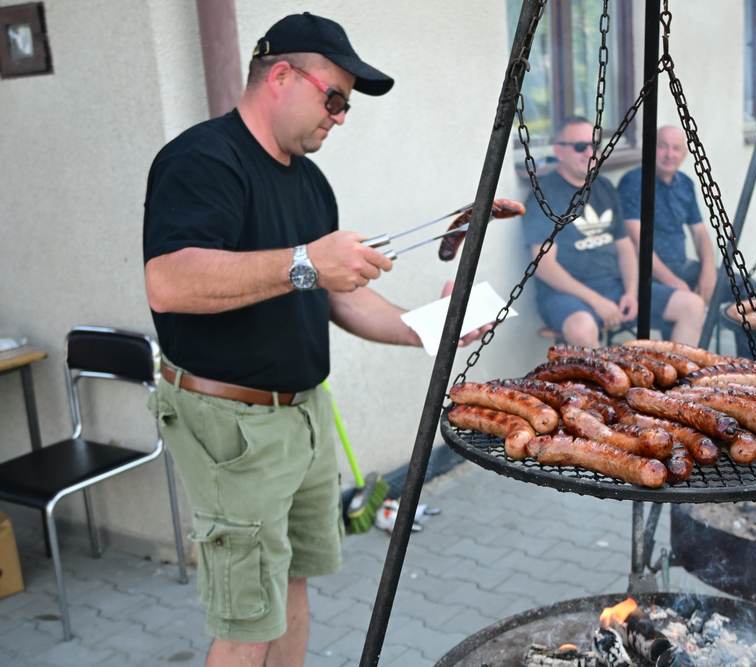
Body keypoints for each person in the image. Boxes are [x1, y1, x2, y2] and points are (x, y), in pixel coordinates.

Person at [142, 13, 482, 667]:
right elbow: (169, 281)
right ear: (281, 76)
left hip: (303, 413)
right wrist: (304, 262)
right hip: (232, 425)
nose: (341, 117)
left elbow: (336, 294)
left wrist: (430, 328)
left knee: (294, 586)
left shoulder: (309, 181)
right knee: (248, 621)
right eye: (334, 99)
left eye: (346, 105)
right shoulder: (201, 160)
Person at [524, 117, 706, 347]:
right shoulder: (544, 195)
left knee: (692, 306)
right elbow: (544, 265)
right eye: (580, 146)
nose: (589, 153)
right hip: (566, 296)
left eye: (595, 145)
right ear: (559, 151)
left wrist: (631, 292)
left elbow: (625, 247)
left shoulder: (604, 187)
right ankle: (601, 372)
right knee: (582, 329)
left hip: (614, 286)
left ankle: (676, 372)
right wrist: (596, 301)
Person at [617, 125, 717, 303]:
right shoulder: (633, 182)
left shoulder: (686, 184)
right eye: (662, 146)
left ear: (684, 154)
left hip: (682, 266)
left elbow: (700, 232)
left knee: (744, 287)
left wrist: (708, 271)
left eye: (676, 148)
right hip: (647, 274)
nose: (669, 155)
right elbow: (637, 242)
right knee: (688, 304)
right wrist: (673, 282)